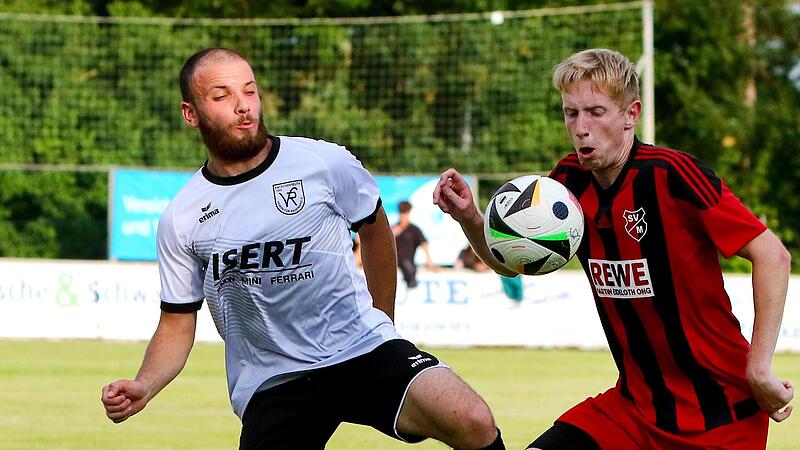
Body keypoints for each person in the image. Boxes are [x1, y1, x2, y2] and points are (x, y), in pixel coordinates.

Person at [101, 48, 505, 450]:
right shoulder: (182, 217)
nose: (243, 106)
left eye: (250, 91)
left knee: (471, 419)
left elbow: (377, 230)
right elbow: (177, 322)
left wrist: (384, 324)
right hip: (274, 380)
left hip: (361, 347)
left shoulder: (324, 162)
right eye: (222, 96)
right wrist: (145, 383)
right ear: (191, 113)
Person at [433, 48, 793, 449]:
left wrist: (759, 367)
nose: (581, 127)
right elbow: (511, 264)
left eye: (595, 112)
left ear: (631, 114)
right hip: (631, 412)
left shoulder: (673, 176)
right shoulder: (566, 185)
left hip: (721, 417)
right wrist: (470, 218)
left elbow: (773, 256)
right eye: (572, 113)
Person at [392, 200, 439, 288]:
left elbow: (424, 245)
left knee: (408, 266)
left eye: (405, 214)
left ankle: (411, 283)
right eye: (402, 214)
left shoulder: (414, 230)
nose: (403, 217)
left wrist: (430, 263)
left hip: (409, 263)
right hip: (393, 263)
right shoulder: (393, 230)